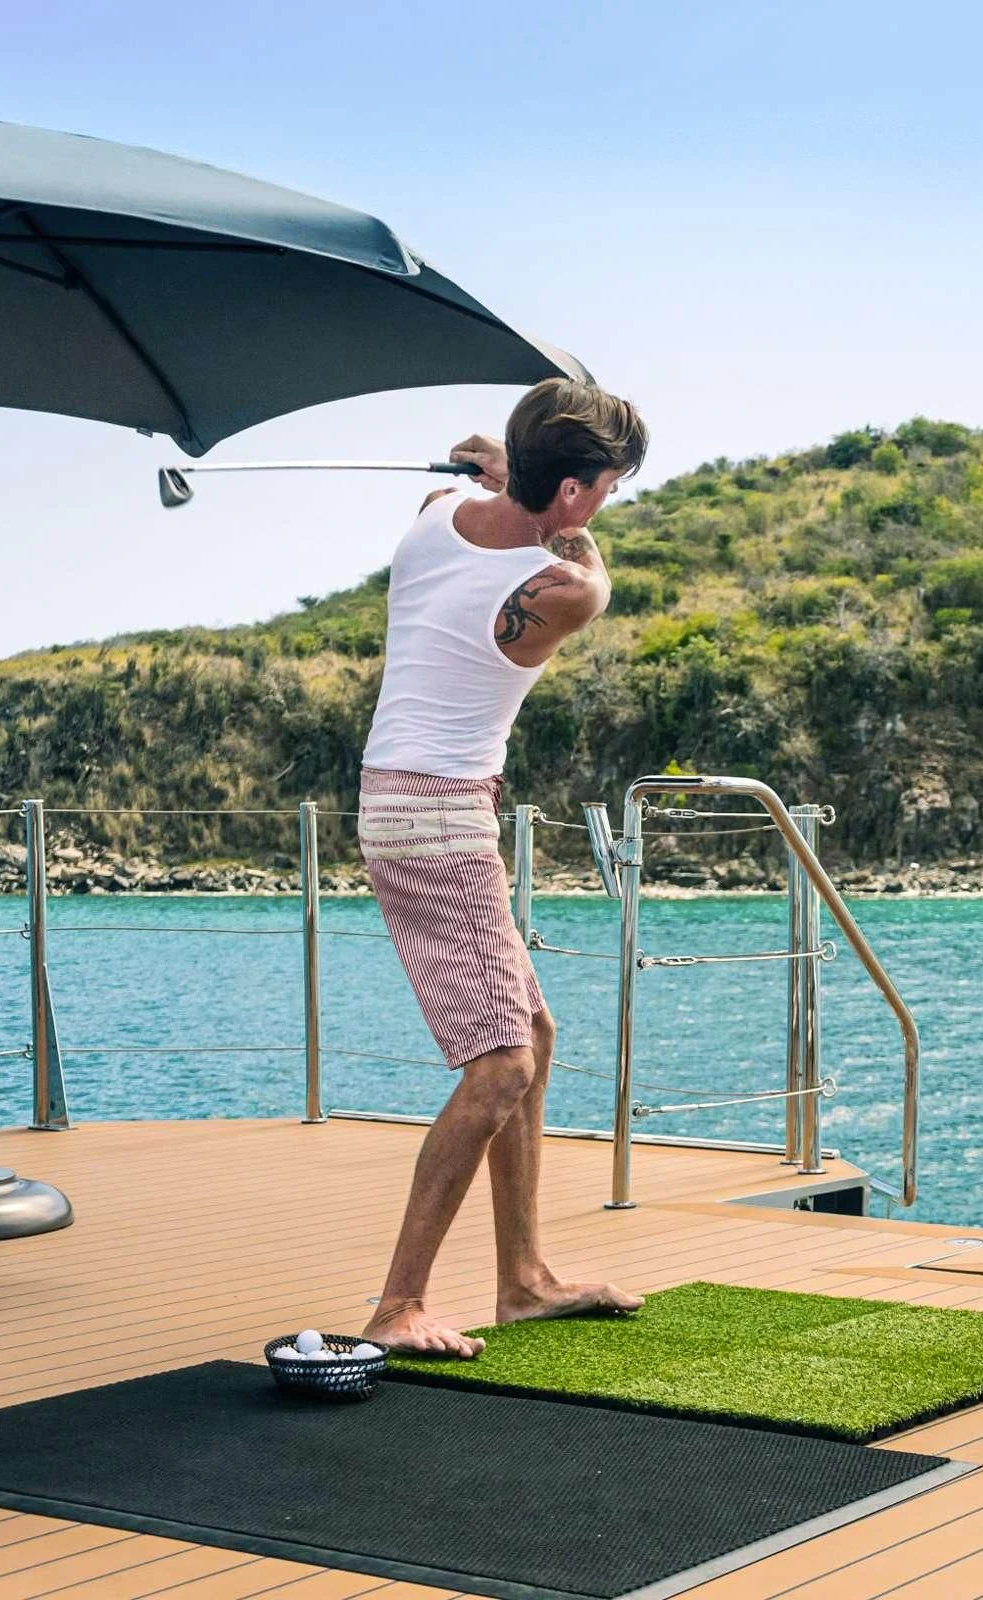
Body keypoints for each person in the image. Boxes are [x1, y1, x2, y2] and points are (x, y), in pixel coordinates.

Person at [357, 377, 648, 1357]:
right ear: (571, 492)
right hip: (438, 816)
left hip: (401, 801)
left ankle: (523, 1279)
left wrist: (498, 468)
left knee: (533, 1030)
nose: (605, 503)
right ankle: (398, 1304)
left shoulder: (432, 515)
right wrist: (526, 481)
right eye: (606, 486)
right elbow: (583, 565)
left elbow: (474, 503)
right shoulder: (568, 589)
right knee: (502, 1065)